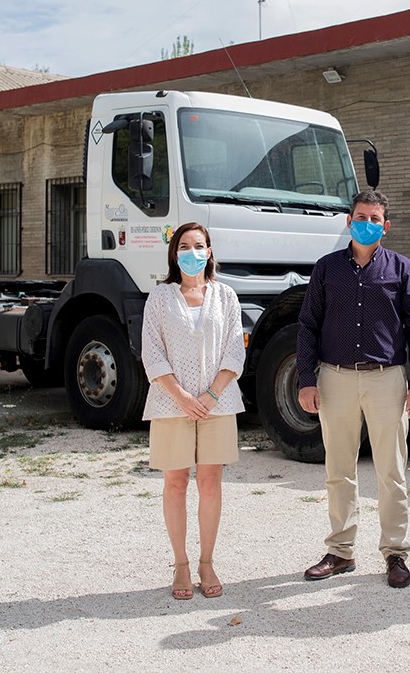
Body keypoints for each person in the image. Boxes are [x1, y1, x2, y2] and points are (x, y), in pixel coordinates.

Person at [296, 190, 410, 589]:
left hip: (386, 379)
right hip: (334, 377)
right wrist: (306, 379)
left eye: (375, 218)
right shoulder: (326, 269)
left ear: (385, 226)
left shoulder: (402, 269)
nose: (367, 223)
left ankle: (395, 552)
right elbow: (307, 326)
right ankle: (340, 551)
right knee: (339, 469)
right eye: (361, 216)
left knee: (392, 470)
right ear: (348, 220)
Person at [141, 222, 246, 601]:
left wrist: (212, 395)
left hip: (218, 404)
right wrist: (182, 396)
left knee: (210, 481)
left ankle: (206, 562)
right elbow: (151, 351)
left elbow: (236, 349)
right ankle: (181, 564)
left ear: (210, 251)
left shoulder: (226, 296)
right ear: (174, 254)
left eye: (198, 245)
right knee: (175, 482)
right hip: (172, 403)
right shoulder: (160, 297)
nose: (192, 252)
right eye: (184, 246)